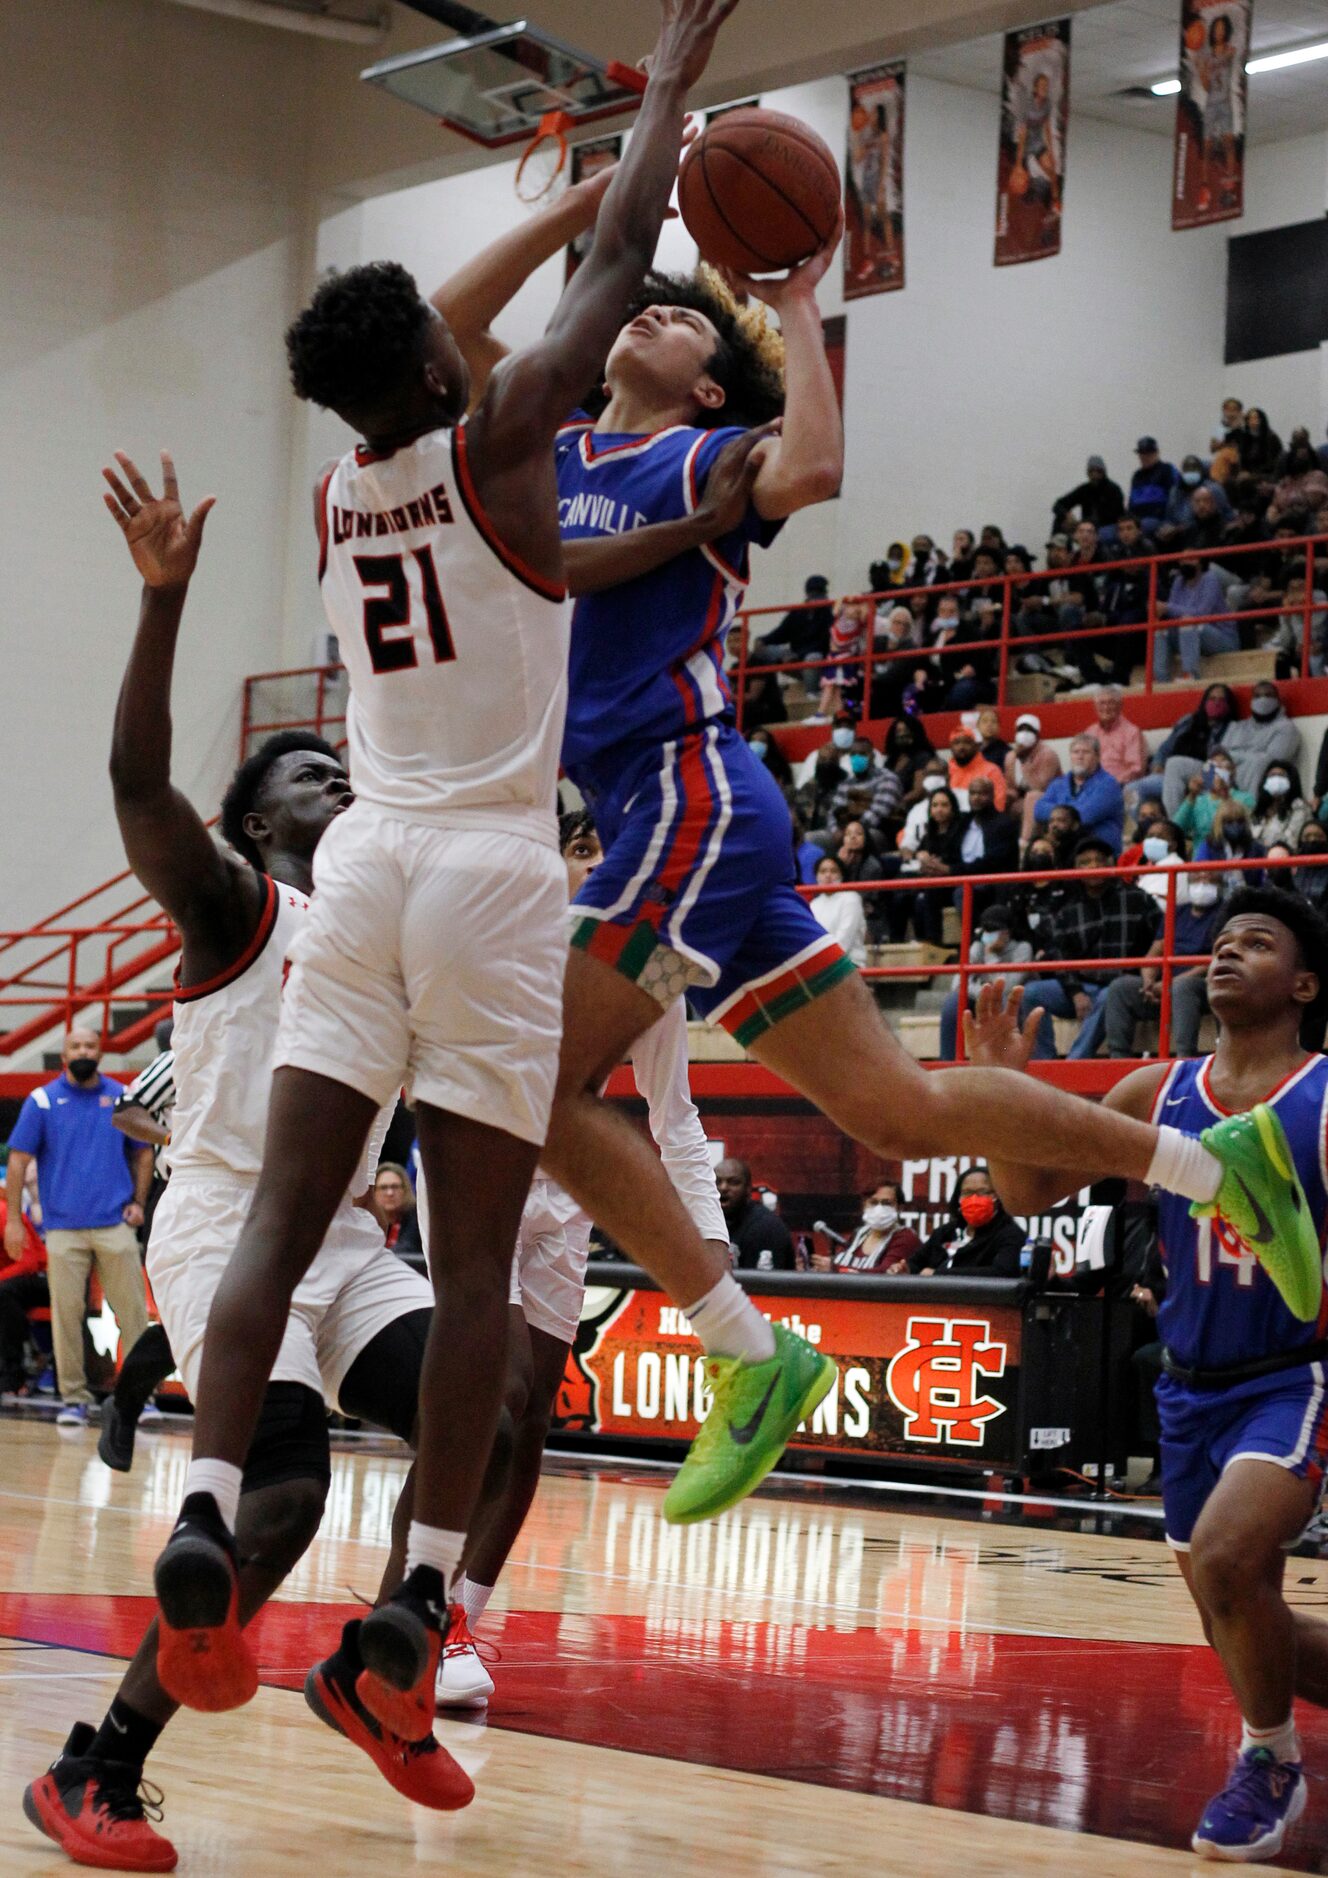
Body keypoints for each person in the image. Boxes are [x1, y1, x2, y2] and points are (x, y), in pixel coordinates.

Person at [432, 35, 1321, 1547]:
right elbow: (448, 326)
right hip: (687, 821)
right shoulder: (548, 443)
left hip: (685, 795)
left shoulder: (705, 463)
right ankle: (1205, 1157)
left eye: (663, 313)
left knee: (523, 1079)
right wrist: (593, 192)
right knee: (901, 1115)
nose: (636, 312)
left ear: (703, 373)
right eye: (633, 302)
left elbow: (821, 469)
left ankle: (744, 1349)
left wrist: (788, 297)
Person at [147, 0, 769, 1745]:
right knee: (479, 1253)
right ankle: (422, 1578)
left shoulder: (353, 493)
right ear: (432, 367)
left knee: (284, 1209)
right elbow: (629, 251)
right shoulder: (502, 444)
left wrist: (688, 517)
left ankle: (200, 1504)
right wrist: (660, 107)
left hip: (362, 865)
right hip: (492, 870)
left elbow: (557, 552)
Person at [22, 449, 465, 1875]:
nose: (342, 782)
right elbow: (134, 777)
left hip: (341, 1235)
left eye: (349, 766)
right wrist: (164, 602)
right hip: (223, 1221)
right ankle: (95, 1765)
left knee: (502, 1403)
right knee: (279, 1498)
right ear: (262, 827)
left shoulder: (397, 935)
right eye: (312, 775)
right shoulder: (234, 909)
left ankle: (379, 1664)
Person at [967, 889, 1328, 1862]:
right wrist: (1006, 1094)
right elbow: (1027, 1190)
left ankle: (1269, 1765)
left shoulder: (1323, 1093)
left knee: (1222, 1566)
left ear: (1302, 983)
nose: (1224, 954)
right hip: (1186, 1388)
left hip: (1292, 1379)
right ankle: (1269, 1734)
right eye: (1217, 943)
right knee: (1243, 1625)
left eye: (1255, 942)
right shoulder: (1155, 1091)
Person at [438, 807, 729, 1707]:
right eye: (579, 846)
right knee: (502, 1396)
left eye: (609, 850)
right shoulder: (497, 936)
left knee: (532, 1424)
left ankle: (455, 1617)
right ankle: (428, 1605)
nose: (594, 862)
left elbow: (675, 1122)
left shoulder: (657, 976)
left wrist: (711, 1245)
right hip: (475, 1177)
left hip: (566, 1208)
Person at [4, 1026, 153, 1426]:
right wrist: (15, 1221)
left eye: (90, 1045)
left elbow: (143, 1153)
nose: (84, 1050)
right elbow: (17, 1161)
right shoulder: (43, 1101)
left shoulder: (121, 1097)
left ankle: (140, 1398)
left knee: (133, 1313)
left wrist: (139, 1203)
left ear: (100, 1053)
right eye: (76, 1046)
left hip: (114, 1224)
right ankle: (74, 1398)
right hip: (63, 1229)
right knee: (66, 1315)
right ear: (64, 1055)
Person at [1020, 835, 1160, 1060]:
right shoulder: (1068, 908)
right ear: (1075, 868)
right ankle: (1042, 1066)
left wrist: (1150, 974)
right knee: (1031, 994)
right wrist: (1076, 992)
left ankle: (1072, 1066)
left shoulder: (1137, 898)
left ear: (1111, 863)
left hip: (1124, 986)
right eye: (1085, 862)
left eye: (1099, 860)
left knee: (1111, 994)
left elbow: (1162, 937)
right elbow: (1060, 955)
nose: (1093, 866)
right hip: (1082, 987)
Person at [1103, 875, 1227, 1059]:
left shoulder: (1225, 914)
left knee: (1182, 988)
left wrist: (1170, 983)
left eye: (1209, 880)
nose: (1202, 885)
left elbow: (1214, 959)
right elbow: (1155, 951)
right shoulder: (1177, 913)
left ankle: (1184, 1057)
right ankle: (1118, 1059)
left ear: (1221, 885)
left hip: (1202, 987)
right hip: (1166, 986)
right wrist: (1149, 980)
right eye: (1197, 879)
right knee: (1120, 987)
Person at [938, 903, 1032, 1060]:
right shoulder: (977, 947)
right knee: (953, 1004)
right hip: (981, 998)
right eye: (987, 930)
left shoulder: (1022, 949)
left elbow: (1005, 988)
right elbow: (957, 984)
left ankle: (1006, 1059)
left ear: (1007, 931)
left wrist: (991, 956)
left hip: (1010, 1002)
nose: (991, 934)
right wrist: (982, 992)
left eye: (996, 929)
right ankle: (948, 1061)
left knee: (1006, 1001)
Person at [910, 1166, 1025, 1275]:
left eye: (983, 1192)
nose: (974, 1199)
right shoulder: (945, 1232)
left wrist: (939, 1274)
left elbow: (1003, 1272)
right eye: (967, 1193)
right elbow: (916, 1263)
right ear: (958, 1198)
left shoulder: (1010, 1234)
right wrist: (904, 1269)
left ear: (998, 1197)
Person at [1034, 734, 1125, 854]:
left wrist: (1057, 812)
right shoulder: (1058, 783)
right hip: (1063, 849)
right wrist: (1069, 811)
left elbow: (1084, 816)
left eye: (1086, 752)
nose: (1080, 757)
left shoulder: (1108, 785)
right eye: (1075, 752)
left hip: (1099, 851)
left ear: (1097, 757)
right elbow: (1038, 810)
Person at [1154, 555, 1236, 682]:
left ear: (1201, 562)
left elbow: (1202, 614)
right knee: (1160, 628)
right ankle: (1160, 679)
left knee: (1188, 621)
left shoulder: (1210, 579)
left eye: (1191, 559)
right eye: (1182, 560)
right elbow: (1171, 613)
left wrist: (1167, 607)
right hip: (1191, 636)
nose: (1185, 562)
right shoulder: (1178, 581)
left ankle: (1190, 674)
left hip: (1223, 639)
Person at [0, 1186, 48, 1398]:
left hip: (43, 1278)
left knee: (4, 1293)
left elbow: (29, 1262)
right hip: (12, 1283)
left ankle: (13, 1374)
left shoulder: (2, 1212)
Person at [813, 1179, 918, 1273]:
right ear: (864, 1206)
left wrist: (834, 1269)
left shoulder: (905, 1238)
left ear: (900, 1208)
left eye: (887, 1203)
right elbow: (838, 1262)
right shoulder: (858, 1234)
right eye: (873, 1202)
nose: (879, 1209)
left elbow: (885, 1274)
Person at [716, 1159, 796, 1271]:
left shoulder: (767, 1228)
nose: (723, 1188)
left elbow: (764, 1285)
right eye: (717, 1182)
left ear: (748, 1189)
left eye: (733, 1182)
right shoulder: (704, 1221)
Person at [1175, 748, 1255, 848]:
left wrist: (1224, 793)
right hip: (1202, 860)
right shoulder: (1197, 801)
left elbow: (1233, 827)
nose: (1217, 770)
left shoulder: (1245, 799)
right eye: (1213, 766)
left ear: (1233, 772)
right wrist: (1192, 795)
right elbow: (1177, 830)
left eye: (1222, 765)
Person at [1004, 711, 1061, 845]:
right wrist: (1007, 797)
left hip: (1050, 798)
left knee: (1032, 798)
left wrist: (1024, 761)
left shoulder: (1048, 754)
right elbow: (1011, 786)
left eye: (1029, 730)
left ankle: (1025, 844)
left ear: (1037, 734)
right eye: (1020, 729)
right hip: (1022, 799)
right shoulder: (1010, 757)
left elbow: (1040, 787)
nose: (1024, 733)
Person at [1198, 797, 1266, 896]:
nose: (1235, 826)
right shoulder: (1209, 846)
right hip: (1216, 899)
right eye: (1229, 822)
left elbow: (1262, 882)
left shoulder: (1256, 848)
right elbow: (1201, 874)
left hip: (1249, 900)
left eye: (1239, 821)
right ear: (1220, 824)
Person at [809, 854, 867, 965]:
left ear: (841, 875)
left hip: (849, 963)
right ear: (816, 876)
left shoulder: (851, 898)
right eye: (823, 871)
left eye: (833, 871)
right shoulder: (814, 904)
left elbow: (844, 941)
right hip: (820, 965)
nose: (828, 875)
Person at [1051, 454, 1124, 535]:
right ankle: (1057, 546)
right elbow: (1058, 504)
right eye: (1091, 471)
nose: (1095, 474)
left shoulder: (1113, 489)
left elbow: (1114, 516)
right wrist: (1067, 515)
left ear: (1103, 472)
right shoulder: (1084, 489)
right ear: (1088, 472)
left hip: (1107, 527)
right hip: (1086, 527)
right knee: (1060, 520)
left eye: (1098, 471)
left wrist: (1082, 524)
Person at [1091, 686, 1148, 788]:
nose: (1106, 708)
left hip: (1120, 786)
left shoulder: (1131, 732)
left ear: (1120, 705)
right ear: (1095, 707)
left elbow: (1136, 769)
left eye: (1111, 703)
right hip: (1092, 786)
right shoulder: (1090, 732)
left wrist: (1111, 783)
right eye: (1102, 703)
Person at [373, 1163, 425, 1267]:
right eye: (383, 1187)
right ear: (374, 1192)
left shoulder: (416, 1217)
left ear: (405, 1190)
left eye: (395, 1187)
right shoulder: (369, 1219)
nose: (390, 1193)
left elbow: (407, 1248)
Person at [1250, 761, 1309, 852]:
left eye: (1281, 776)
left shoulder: (1299, 807)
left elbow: (1291, 842)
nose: (1276, 779)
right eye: (1272, 775)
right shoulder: (1258, 811)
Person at [946, 720, 1007, 809]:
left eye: (967, 742)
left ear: (976, 746)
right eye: (957, 743)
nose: (961, 747)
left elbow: (999, 803)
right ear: (951, 748)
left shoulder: (991, 770)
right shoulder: (945, 770)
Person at [1128, 437, 1180, 532]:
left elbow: (1175, 498)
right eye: (1141, 453)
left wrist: (1169, 521)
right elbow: (1132, 503)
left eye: (1148, 453)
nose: (1144, 457)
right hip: (1138, 520)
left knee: (1144, 525)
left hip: (1160, 520)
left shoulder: (1167, 470)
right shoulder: (1137, 476)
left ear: (1156, 453)